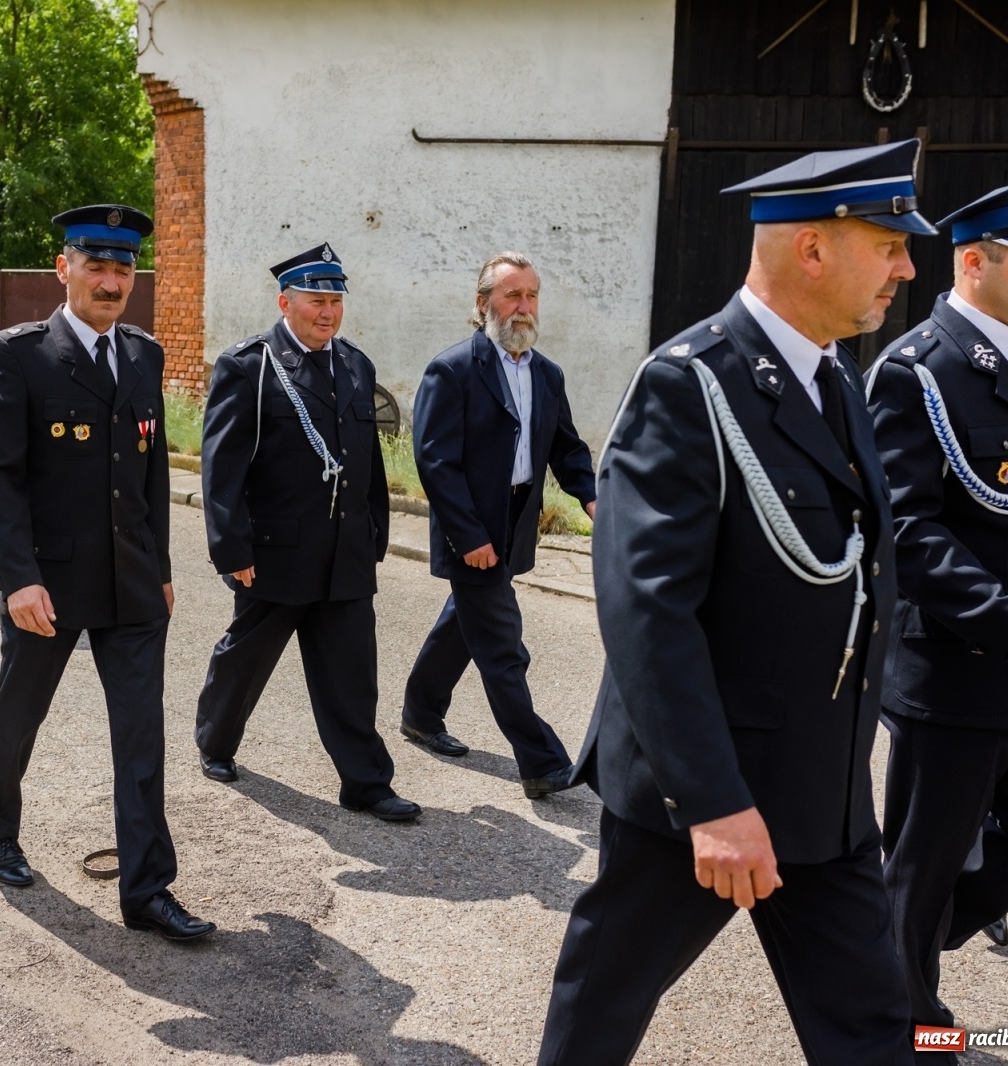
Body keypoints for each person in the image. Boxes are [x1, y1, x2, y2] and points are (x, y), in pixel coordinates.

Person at [538, 142, 928, 1065]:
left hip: (824, 794)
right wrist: (712, 802)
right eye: (891, 245)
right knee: (602, 1013)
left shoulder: (835, 380)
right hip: (703, 795)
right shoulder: (689, 382)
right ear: (815, 250)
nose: (908, 267)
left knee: (880, 1029)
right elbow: (646, 609)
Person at [866, 165, 1008, 1038]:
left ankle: (904, 937)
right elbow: (906, 533)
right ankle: (906, 1030)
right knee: (919, 869)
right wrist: (1005, 615)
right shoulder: (915, 371)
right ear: (972, 262)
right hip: (961, 669)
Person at [0, 204, 214, 941]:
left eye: (123, 268)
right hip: (49, 580)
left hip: (133, 581)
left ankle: (147, 889)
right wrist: (16, 579)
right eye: (97, 266)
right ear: (64, 268)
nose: (111, 282)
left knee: (140, 735)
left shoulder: (143, 355)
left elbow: (149, 473)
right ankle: (0, 829)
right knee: (21, 710)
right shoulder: (19, 354)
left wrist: (164, 566)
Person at [196, 244, 419, 823]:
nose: (328, 312)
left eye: (335, 301)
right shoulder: (251, 365)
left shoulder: (355, 364)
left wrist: (374, 531)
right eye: (316, 300)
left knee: (351, 670)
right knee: (247, 657)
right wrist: (231, 546)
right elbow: (223, 466)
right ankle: (215, 741)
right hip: (277, 550)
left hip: (344, 551)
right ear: (285, 301)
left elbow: (365, 456)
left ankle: (366, 783)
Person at [399, 252, 596, 798]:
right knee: (503, 643)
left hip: (516, 519)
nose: (525, 308)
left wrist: (593, 498)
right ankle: (542, 761)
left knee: (466, 619)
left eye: (532, 296)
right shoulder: (453, 369)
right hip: (473, 525)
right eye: (513, 296)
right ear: (484, 302)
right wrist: (469, 536)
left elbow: (566, 446)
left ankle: (420, 713)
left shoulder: (546, 373)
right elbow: (436, 461)